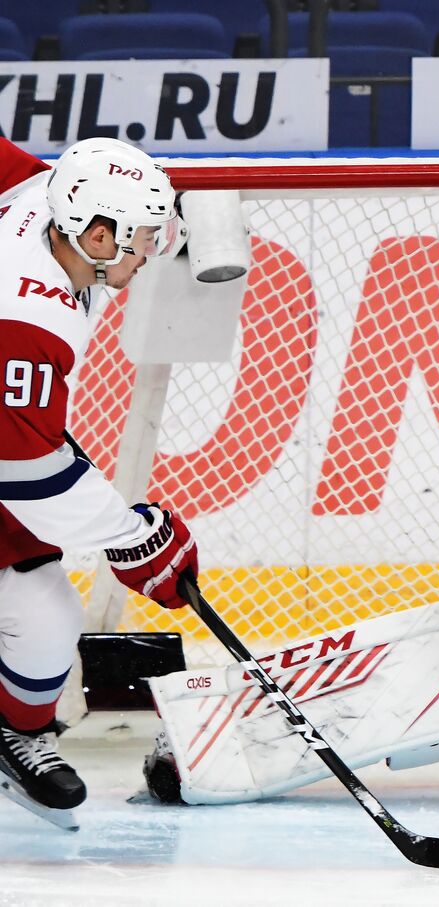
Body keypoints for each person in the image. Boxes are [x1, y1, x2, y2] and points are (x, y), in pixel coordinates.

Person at [0, 136, 200, 821]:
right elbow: (26, 475)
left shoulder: (38, 191)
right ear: (98, 233)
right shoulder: (30, 315)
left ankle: (14, 732)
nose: (147, 254)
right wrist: (136, 538)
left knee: (47, 618)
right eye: (142, 240)